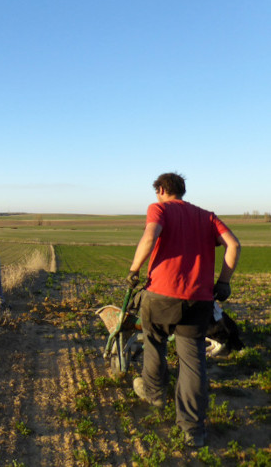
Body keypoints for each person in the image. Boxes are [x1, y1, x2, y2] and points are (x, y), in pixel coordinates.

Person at [127, 172, 240, 448]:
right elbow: (234, 244)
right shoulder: (207, 216)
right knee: (192, 362)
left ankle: (154, 393)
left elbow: (150, 236)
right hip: (198, 300)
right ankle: (193, 430)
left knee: (154, 342)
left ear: (163, 189)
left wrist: (134, 270)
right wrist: (223, 281)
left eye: (157, 192)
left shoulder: (159, 208)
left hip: (161, 297)